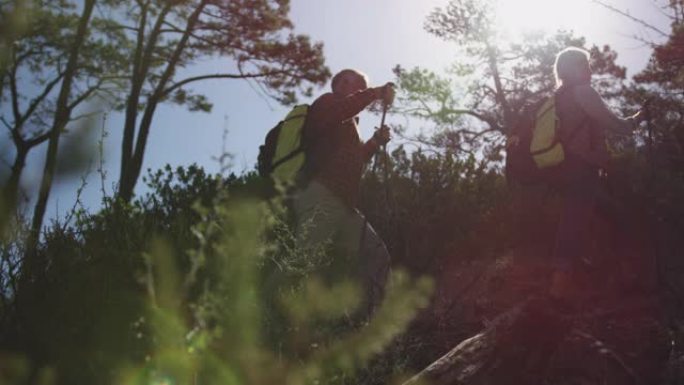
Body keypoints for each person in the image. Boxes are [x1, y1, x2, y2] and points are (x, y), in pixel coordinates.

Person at [293, 69, 395, 318]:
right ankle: (263, 316)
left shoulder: (349, 125)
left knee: (375, 256)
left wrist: (374, 142)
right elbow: (341, 110)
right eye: (355, 83)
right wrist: (375, 93)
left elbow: (355, 161)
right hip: (320, 195)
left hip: (343, 204)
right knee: (303, 263)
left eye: (363, 84)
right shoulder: (326, 104)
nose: (359, 87)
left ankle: (363, 328)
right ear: (337, 83)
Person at [548, 47, 643, 301]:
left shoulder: (559, 96)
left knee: (599, 217)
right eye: (585, 64)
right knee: (577, 220)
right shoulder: (582, 92)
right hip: (582, 167)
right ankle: (560, 286)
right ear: (574, 67)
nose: (590, 69)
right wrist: (636, 119)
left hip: (564, 168)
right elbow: (613, 123)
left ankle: (607, 276)